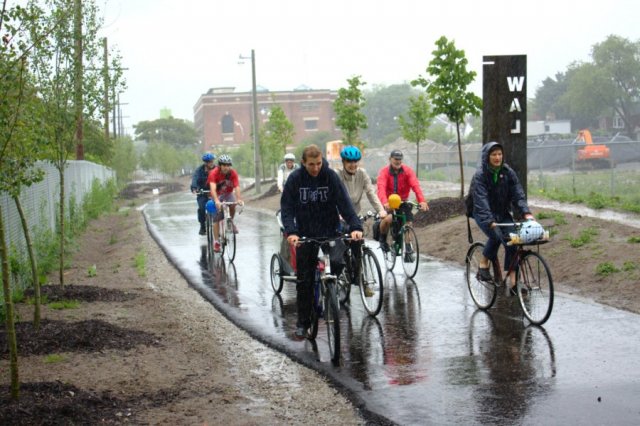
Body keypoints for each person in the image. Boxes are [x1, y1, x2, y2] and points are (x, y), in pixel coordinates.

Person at [280, 144, 363, 338]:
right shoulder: (295, 179)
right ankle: (303, 322)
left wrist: (356, 226)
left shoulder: (330, 177)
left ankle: (330, 292)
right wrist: (291, 232)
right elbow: (287, 209)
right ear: (303, 163)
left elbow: (345, 204)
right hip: (305, 235)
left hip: (329, 230)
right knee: (304, 280)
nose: (315, 168)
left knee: (337, 262)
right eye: (311, 165)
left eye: (318, 163)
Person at [470, 141, 535, 293]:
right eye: (493, 154)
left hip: (502, 212)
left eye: (499, 154)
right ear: (487, 157)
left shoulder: (507, 172)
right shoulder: (480, 175)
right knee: (495, 236)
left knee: (512, 240)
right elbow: (481, 199)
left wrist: (526, 213)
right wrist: (489, 220)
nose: (497, 157)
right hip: (482, 212)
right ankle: (483, 263)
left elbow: (518, 194)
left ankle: (513, 282)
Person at [337, 145, 387, 297]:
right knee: (340, 247)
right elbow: (333, 195)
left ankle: (362, 280)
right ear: (344, 162)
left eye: (355, 161)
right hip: (338, 214)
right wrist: (336, 213)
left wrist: (381, 210)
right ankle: (340, 274)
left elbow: (371, 193)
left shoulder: (362, 174)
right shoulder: (336, 175)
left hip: (354, 215)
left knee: (358, 245)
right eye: (349, 162)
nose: (353, 165)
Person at [376, 149, 429, 260]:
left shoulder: (408, 171)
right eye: (395, 159)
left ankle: (408, 247)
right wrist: (385, 202)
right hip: (388, 202)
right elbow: (381, 188)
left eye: (400, 159)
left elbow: (415, 186)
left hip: (403, 201)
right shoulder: (384, 172)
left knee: (408, 222)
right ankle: (382, 239)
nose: (398, 161)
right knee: (387, 220)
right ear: (390, 159)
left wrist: (422, 201)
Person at [207, 154, 244, 252]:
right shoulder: (213, 173)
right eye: (224, 165)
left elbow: (236, 187)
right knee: (216, 217)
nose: (226, 167)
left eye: (228, 165)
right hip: (217, 195)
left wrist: (239, 198)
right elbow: (213, 189)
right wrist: (216, 201)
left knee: (233, 204)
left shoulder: (233, 173)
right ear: (220, 165)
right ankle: (216, 242)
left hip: (228, 193)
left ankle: (230, 222)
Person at [191, 153, 216, 235]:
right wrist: (194, 188)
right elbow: (195, 179)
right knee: (201, 208)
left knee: (219, 207)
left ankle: (219, 225)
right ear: (205, 163)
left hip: (214, 192)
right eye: (209, 162)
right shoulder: (199, 170)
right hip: (202, 192)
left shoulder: (217, 169)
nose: (211, 163)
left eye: (212, 161)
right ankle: (202, 226)